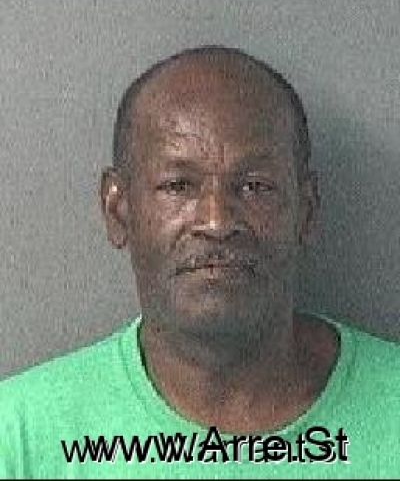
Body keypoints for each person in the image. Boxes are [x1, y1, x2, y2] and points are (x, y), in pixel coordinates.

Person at [0, 45, 399, 479]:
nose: (216, 221)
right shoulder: (20, 440)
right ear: (118, 210)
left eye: (254, 186)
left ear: (306, 210)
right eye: (178, 185)